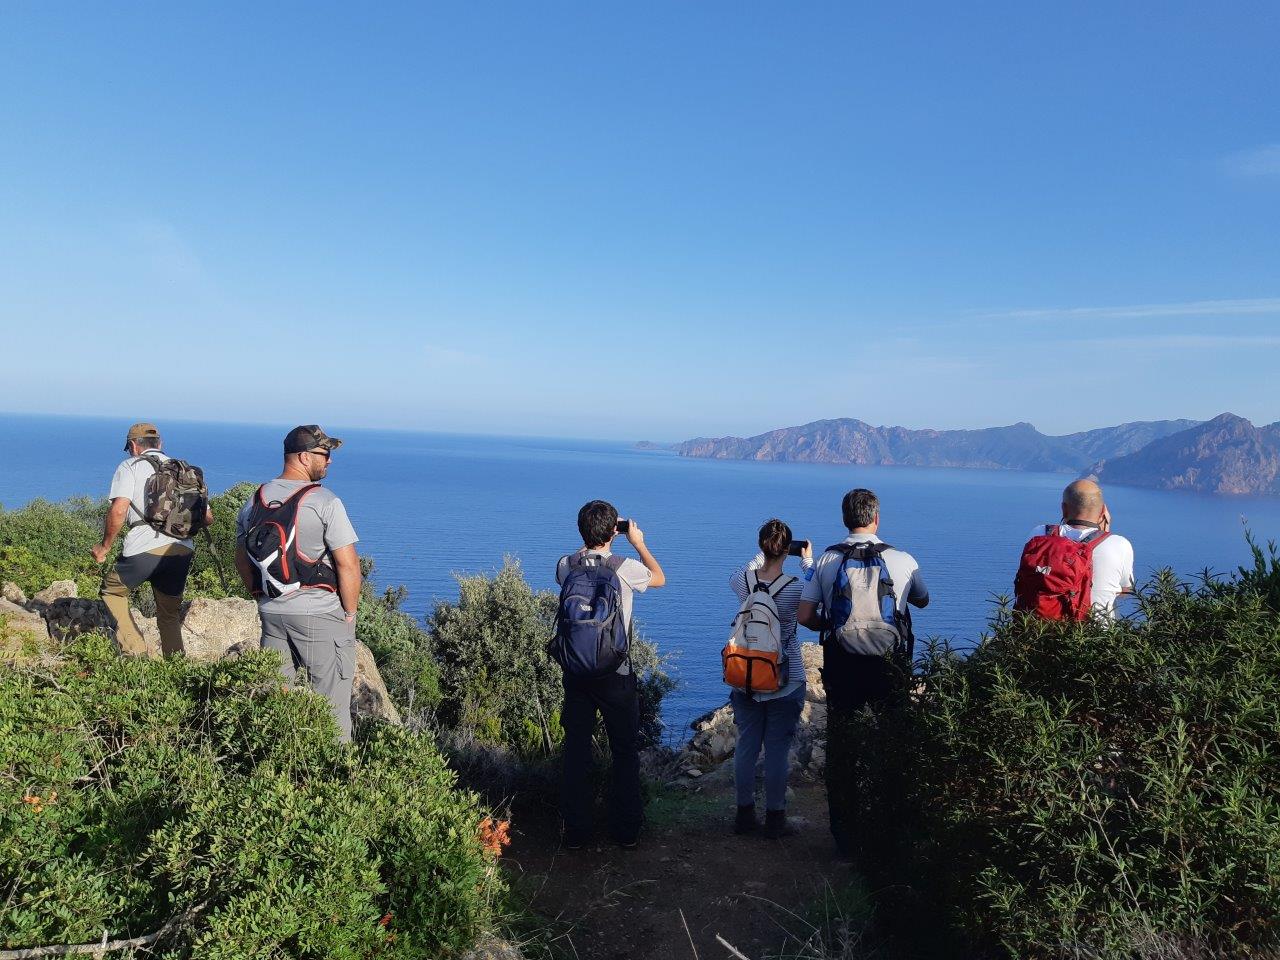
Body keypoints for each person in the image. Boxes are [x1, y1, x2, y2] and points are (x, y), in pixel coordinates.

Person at [797, 488, 929, 860]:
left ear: (845, 519)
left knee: (842, 744)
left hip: (843, 663)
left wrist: (835, 624)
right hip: (889, 665)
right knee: (894, 738)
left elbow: (806, 616)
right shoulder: (901, 558)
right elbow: (922, 598)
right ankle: (893, 824)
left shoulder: (826, 560)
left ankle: (844, 833)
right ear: (876, 518)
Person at [234, 425, 361, 742]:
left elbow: (240, 558)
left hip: (272, 613)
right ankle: (337, 775)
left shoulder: (254, 501)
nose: (329, 461)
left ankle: (280, 767)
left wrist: (259, 595)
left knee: (277, 699)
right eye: (325, 454)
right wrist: (349, 614)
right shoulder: (324, 502)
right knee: (332, 703)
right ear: (305, 457)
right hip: (318, 614)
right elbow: (348, 564)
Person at [555, 500, 666, 850]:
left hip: (576, 675)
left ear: (581, 530)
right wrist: (637, 541)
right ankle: (626, 831)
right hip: (616, 675)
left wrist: (589, 541)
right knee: (624, 752)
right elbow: (660, 578)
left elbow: (576, 563)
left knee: (576, 752)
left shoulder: (565, 565)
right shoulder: (625, 568)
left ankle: (576, 832)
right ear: (613, 532)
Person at [92, 422, 213, 657]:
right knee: (168, 614)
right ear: (160, 444)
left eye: (129, 448)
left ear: (133, 446)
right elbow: (208, 518)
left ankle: (135, 652)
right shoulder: (184, 471)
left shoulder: (130, 466)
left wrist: (104, 547)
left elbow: (119, 510)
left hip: (143, 548)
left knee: (112, 591)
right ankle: (176, 667)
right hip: (181, 550)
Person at [727, 519, 815, 839]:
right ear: (787, 550)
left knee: (747, 745)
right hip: (785, 678)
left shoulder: (743, 581)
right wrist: (806, 560)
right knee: (777, 749)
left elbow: (743, 570)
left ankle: (744, 815)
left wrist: (760, 556)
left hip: (745, 676)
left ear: (761, 545)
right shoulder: (796, 587)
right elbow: (817, 587)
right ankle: (776, 819)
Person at [1016, 478, 1135, 619]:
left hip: (1040, 631)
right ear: (1103, 511)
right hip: (1096, 636)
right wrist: (1105, 533)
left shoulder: (1038, 534)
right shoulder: (1119, 544)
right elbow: (1126, 590)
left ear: (1063, 509)